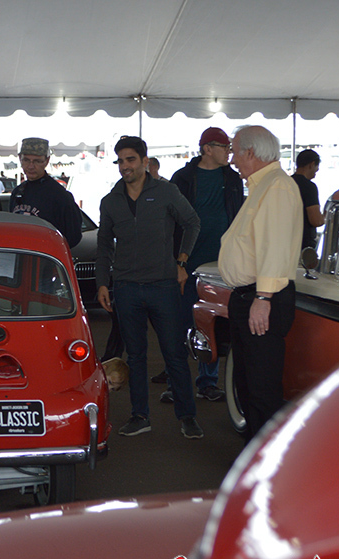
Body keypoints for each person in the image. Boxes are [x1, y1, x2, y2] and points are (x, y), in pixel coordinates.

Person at [95, 135, 203, 440]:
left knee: (174, 353)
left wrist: (181, 260)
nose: (125, 166)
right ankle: (140, 415)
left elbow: (193, 222)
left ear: (144, 161)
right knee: (137, 356)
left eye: (130, 159)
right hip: (126, 287)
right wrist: (103, 282)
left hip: (163, 285)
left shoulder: (166, 192)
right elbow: (104, 245)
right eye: (120, 161)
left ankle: (188, 415)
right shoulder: (110, 201)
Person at [219, 125, 303, 442]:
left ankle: (264, 465)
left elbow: (275, 246)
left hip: (262, 298)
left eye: (235, 152)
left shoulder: (277, 186)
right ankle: (254, 456)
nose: (233, 160)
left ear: (250, 153)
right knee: (247, 383)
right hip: (251, 297)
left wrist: (263, 297)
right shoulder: (264, 185)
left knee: (261, 388)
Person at [162, 127, 245, 403]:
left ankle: (207, 382)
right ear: (208, 148)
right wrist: (177, 262)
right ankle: (177, 384)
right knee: (181, 324)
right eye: (225, 147)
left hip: (221, 265)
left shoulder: (232, 178)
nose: (229, 153)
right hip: (188, 263)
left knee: (213, 323)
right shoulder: (183, 179)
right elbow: (170, 223)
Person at [9, 137, 82, 247]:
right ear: (20, 159)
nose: (31, 166)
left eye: (37, 161)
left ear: (47, 161)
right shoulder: (17, 192)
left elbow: (73, 236)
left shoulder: (59, 195)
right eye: (26, 160)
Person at [291, 149, 325, 250]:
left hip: (286, 241)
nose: (315, 174)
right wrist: (327, 215)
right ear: (312, 164)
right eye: (316, 169)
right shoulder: (309, 187)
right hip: (303, 245)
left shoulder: (286, 183)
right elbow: (316, 221)